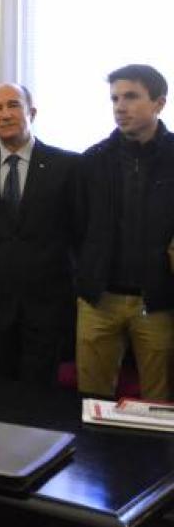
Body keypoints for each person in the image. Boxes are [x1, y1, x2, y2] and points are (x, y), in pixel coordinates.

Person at [0, 83, 78, 386]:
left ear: (32, 112)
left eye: (13, 105)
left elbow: (78, 231)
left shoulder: (68, 166)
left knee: (40, 398)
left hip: (48, 306)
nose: (5, 114)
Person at [76, 64, 174, 400]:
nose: (120, 106)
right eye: (115, 98)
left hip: (159, 299)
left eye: (131, 96)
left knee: (159, 403)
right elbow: (76, 228)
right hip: (99, 300)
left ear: (159, 103)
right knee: (91, 399)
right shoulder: (92, 161)